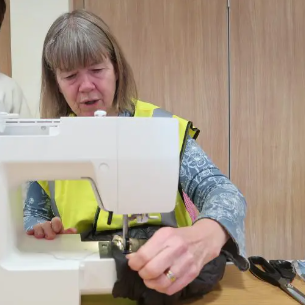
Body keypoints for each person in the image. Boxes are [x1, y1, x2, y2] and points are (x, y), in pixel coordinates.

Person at [23, 9, 249, 298]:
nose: (87, 86)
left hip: (164, 275)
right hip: (81, 284)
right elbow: (33, 215)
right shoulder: (46, 144)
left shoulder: (163, 128)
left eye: (96, 69)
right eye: (70, 76)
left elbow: (224, 193)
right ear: (56, 82)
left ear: (116, 68)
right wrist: (43, 231)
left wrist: (204, 235)